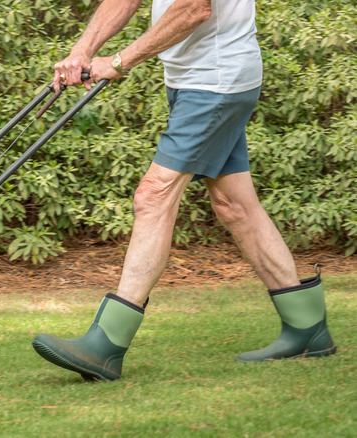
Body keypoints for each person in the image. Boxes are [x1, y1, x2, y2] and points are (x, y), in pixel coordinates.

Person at [32, 0, 337, 381]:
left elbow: (195, 8)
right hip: (194, 82)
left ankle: (106, 344)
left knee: (153, 196)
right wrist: (83, 51)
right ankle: (308, 329)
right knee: (233, 205)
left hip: (216, 84)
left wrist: (120, 60)